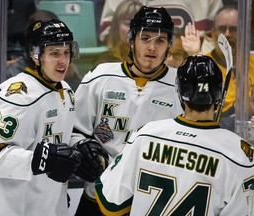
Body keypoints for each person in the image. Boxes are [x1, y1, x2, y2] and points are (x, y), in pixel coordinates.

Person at [95, 55, 254, 215]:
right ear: (219, 94)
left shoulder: (147, 135)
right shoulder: (240, 155)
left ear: (179, 90)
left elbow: (110, 204)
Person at [71, 6, 183, 215]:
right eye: (145, 38)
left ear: (169, 45)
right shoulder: (101, 77)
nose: (152, 47)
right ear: (132, 41)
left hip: (150, 202)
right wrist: (82, 147)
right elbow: (74, 130)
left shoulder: (180, 87)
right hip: (98, 194)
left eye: (160, 40)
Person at [0, 19, 85, 216]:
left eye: (66, 52)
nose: (63, 61)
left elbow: (58, 140)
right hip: (11, 207)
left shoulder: (66, 90)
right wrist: (39, 159)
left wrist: (81, 146)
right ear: (36, 56)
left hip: (46, 203)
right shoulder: (17, 94)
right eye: (54, 53)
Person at [99, 0, 223, 53]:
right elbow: (111, 36)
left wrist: (194, 60)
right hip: (137, 70)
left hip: (188, 67)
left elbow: (215, 39)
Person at [206, 6, 254, 131]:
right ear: (212, 32)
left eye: (233, 29)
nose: (227, 34)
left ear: (244, 32)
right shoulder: (203, 65)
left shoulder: (253, 62)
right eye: (222, 29)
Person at [94, 0, 143, 66]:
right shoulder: (104, 65)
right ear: (116, 28)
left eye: (140, 24)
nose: (134, 29)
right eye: (128, 23)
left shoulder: (155, 62)